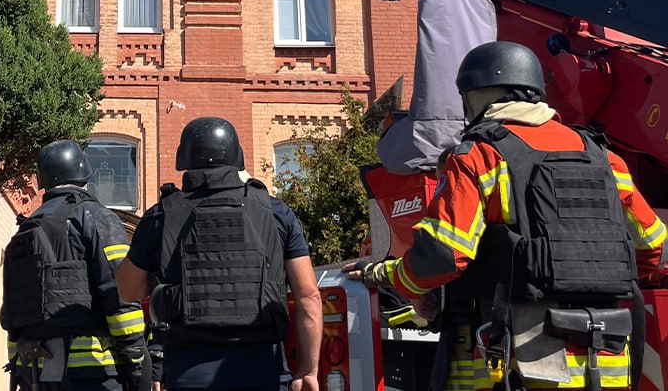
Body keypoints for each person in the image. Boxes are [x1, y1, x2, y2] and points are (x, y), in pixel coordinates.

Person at [344, 41, 668, 391]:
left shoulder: (479, 156)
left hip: (513, 362)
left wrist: (385, 273)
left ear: (481, 95)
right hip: (607, 360)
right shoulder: (606, 159)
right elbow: (654, 247)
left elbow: (442, 255)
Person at [115, 117, 323, 391]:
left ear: (184, 159)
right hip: (262, 374)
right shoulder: (276, 213)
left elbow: (127, 290)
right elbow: (309, 296)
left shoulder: (161, 217)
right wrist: (309, 370)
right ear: (236, 157)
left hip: (189, 375)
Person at [1, 140, 152, 391]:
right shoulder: (95, 217)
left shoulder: (22, 234)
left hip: (34, 373)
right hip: (90, 373)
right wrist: (136, 362)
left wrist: (18, 369)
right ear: (83, 173)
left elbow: (11, 314)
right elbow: (121, 294)